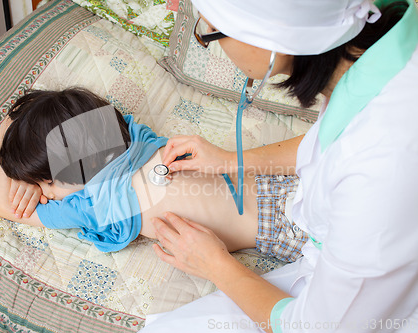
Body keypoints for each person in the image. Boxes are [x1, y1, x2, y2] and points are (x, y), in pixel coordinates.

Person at [140, 0, 418, 332]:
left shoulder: (382, 165)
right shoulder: (382, 58)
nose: (210, 41)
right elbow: (333, 143)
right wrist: (232, 160)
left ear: (269, 38)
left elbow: (319, 328)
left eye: (210, 31)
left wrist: (214, 264)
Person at [0, 88, 307, 255]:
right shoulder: (134, 137)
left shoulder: (94, 205)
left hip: (285, 227)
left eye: (46, 184)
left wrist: (5, 134)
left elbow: (5, 207)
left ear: (71, 167)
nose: (46, 195)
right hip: (282, 175)